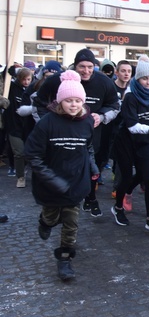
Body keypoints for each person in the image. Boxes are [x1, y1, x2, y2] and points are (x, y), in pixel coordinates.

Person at [25, 70, 98, 280]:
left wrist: (92, 167)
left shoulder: (86, 122)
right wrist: (51, 178)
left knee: (71, 223)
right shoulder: (47, 123)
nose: (73, 105)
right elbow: (32, 154)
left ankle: (65, 258)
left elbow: (87, 147)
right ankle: (45, 222)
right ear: (59, 101)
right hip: (50, 185)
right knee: (51, 216)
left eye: (77, 100)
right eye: (68, 101)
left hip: (75, 184)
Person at [33, 48, 120, 217]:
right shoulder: (57, 80)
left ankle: (89, 198)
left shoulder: (104, 81)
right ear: (75, 65)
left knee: (90, 166)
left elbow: (115, 106)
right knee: (63, 168)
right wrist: (47, 125)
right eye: (82, 66)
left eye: (90, 66)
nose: (86, 71)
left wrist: (102, 116)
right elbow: (37, 102)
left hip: (90, 133)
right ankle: (54, 207)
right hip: (58, 136)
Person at [111, 57, 149, 234]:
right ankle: (118, 208)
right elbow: (132, 126)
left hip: (145, 142)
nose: (148, 82)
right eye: (144, 79)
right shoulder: (130, 97)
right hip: (126, 141)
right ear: (137, 79)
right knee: (126, 177)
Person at [6, 67, 34, 188]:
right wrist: (10, 69)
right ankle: (20, 177)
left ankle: (27, 171)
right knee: (19, 153)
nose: (26, 82)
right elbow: (5, 77)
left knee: (29, 153)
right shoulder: (11, 88)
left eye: (29, 79)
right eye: (24, 79)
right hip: (14, 125)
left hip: (28, 127)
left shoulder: (32, 89)